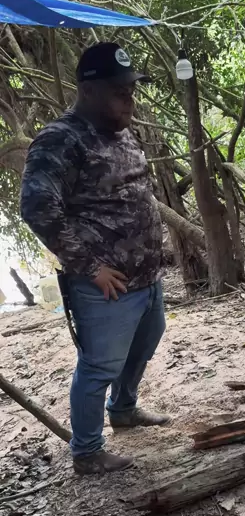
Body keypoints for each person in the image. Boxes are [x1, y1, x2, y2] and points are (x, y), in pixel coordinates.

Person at [21, 42, 169, 475]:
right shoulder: (60, 139)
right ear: (88, 91)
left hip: (146, 277)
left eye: (131, 91)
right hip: (105, 283)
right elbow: (37, 207)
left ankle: (123, 409)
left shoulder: (121, 131)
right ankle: (87, 452)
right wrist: (90, 267)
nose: (129, 100)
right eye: (119, 92)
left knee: (145, 343)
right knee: (100, 365)